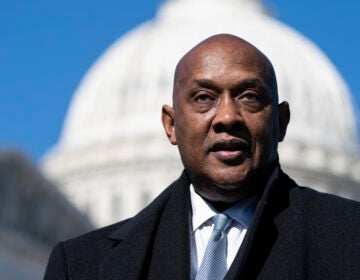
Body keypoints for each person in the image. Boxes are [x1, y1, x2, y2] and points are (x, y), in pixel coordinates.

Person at [43, 34, 360, 280]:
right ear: (171, 125)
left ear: (281, 122)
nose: (226, 117)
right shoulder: (82, 266)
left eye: (249, 97)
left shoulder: (350, 239)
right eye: (204, 98)